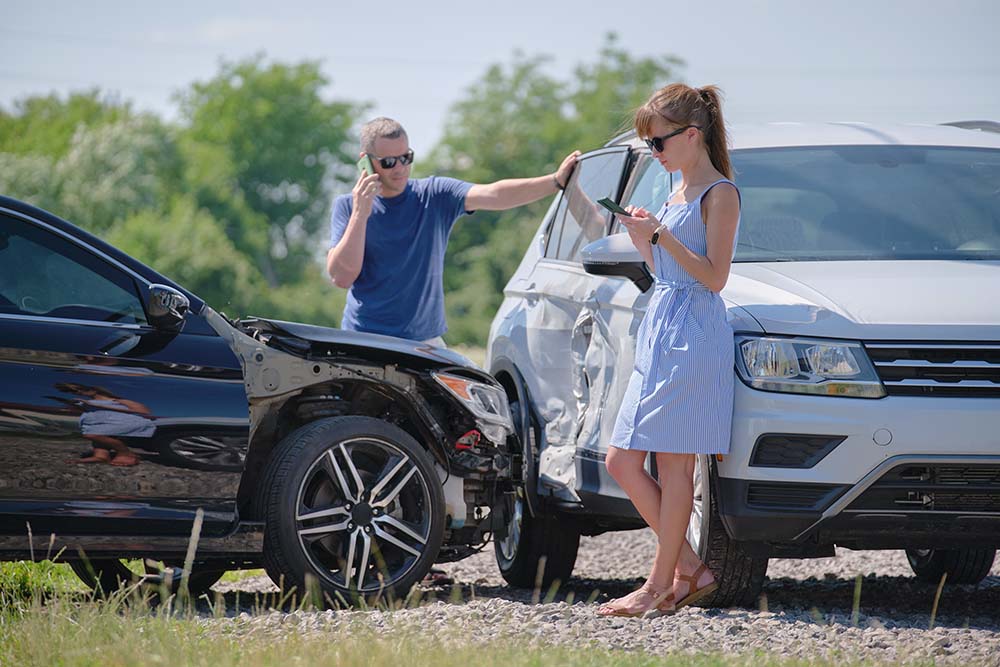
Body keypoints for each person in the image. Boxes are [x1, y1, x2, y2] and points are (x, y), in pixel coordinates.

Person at [596, 84, 741, 618]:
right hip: (661, 324)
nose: (654, 154)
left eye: (657, 144)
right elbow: (669, 273)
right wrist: (643, 238)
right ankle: (690, 568)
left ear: (691, 136)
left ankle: (661, 583)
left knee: (675, 465)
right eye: (650, 146)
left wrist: (661, 237)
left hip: (695, 332)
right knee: (622, 460)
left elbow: (715, 278)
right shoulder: (674, 195)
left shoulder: (719, 194)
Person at [327, 117, 580, 346]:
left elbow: (494, 194)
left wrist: (554, 182)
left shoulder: (434, 194)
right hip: (364, 339)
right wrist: (361, 214)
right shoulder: (347, 207)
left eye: (406, 158)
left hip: (424, 342)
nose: (400, 168)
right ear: (366, 163)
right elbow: (342, 277)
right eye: (389, 162)